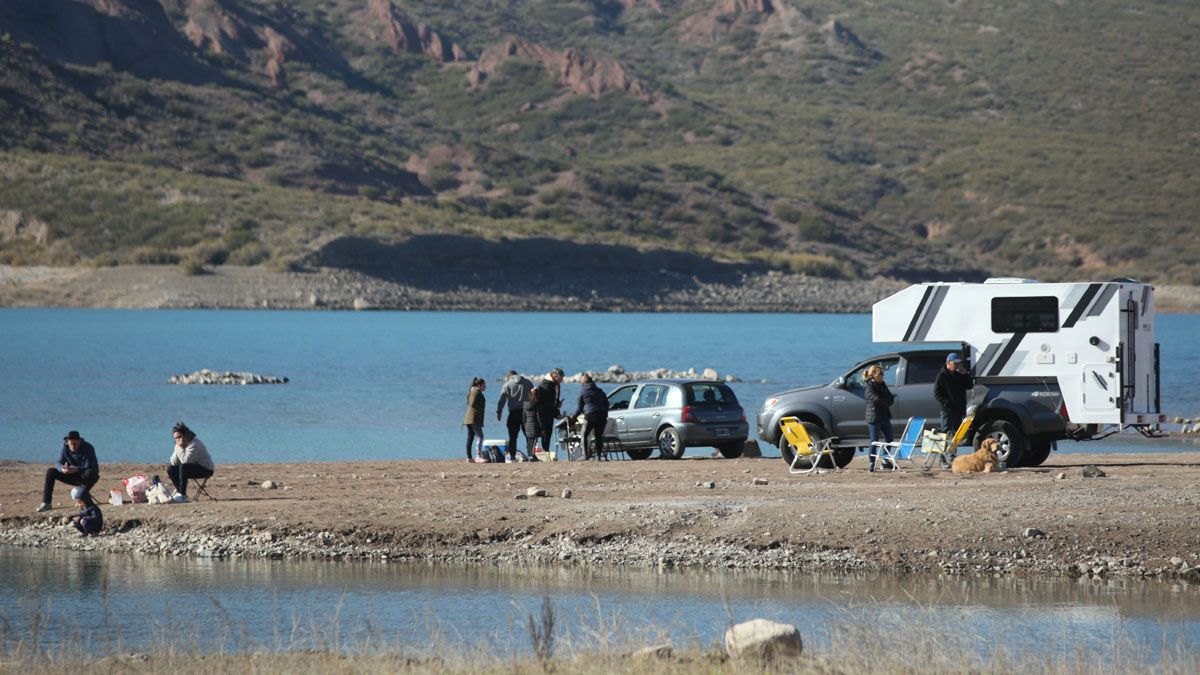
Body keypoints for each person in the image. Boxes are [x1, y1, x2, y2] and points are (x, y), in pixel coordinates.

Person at [38, 430, 100, 512]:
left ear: (79, 441)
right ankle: (46, 503)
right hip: (70, 474)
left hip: (84, 476)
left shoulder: (88, 448)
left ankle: (81, 496)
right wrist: (62, 469)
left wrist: (76, 469)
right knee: (51, 472)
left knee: (91, 473)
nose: (73, 446)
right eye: (71, 444)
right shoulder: (65, 447)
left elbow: (89, 465)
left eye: (75, 444)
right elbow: (58, 462)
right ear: (67, 442)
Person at [168, 422, 215, 502]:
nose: (177, 440)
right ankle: (179, 491)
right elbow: (173, 462)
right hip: (193, 467)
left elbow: (185, 461)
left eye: (179, 437)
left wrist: (180, 448)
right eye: (175, 438)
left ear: (185, 435)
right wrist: (177, 447)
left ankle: (182, 495)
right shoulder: (178, 445)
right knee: (170, 469)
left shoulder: (194, 444)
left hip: (206, 469)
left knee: (184, 467)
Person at [496, 370, 533, 461]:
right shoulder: (528, 382)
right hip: (526, 412)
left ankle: (512, 456)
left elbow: (502, 400)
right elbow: (535, 395)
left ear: (509, 377)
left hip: (513, 413)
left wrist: (499, 412)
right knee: (529, 435)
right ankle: (531, 455)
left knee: (513, 437)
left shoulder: (507, 385)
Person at [863, 365, 895, 472]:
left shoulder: (882, 385)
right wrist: (885, 401)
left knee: (889, 439)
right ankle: (871, 462)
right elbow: (876, 400)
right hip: (873, 417)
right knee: (874, 441)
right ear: (876, 375)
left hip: (884, 415)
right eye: (881, 374)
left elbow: (890, 398)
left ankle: (885, 461)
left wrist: (885, 401)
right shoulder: (869, 386)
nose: (883, 376)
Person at [934, 352, 975, 435]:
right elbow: (937, 393)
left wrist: (965, 375)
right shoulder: (942, 376)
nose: (957, 365)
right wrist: (947, 403)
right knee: (946, 433)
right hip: (948, 411)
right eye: (955, 363)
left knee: (957, 434)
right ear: (948, 362)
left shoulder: (959, 374)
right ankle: (946, 448)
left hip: (959, 409)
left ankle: (954, 448)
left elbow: (969, 386)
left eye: (958, 363)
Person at [574, 374, 610, 460]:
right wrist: (605, 413)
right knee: (598, 437)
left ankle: (585, 455)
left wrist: (573, 417)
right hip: (602, 415)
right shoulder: (600, 391)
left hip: (590, 415)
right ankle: (598, 456)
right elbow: (607, 404)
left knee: (584, 434)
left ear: (582, 382)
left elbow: (579, 408)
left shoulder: (582, 392)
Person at [535, 368, 564, 455]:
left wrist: (557, 405)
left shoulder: (556, 384)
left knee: (548, 434)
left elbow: (554, 400)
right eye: (560, 378)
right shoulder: (546, 385)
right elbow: (548, 404)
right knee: (544, 433)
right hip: (543, 413)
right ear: (555, 376)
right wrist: (557, 415)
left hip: (550, 413)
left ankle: (546, 452)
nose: (561, 381)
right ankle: (544, 452)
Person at [464, 377, 486, 462]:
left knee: (470, 437)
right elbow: (472, 403)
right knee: (480, 437)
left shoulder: (473, 391)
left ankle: (469, 457)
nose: (485, 387)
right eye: (484, 385)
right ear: (479, 385)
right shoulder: (476, 392)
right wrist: (479, 411)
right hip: (473, 418)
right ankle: (478, 456)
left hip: (469, 418)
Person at [523, 387, 543, 460]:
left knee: (529, 441)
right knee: (534, 441)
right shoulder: (537, 404)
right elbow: (539, 417)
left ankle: (529, 455)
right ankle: (532, 455)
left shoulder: (525, 404)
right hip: (535, 425)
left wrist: (525, 425)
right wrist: (542, 427)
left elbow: (524, 416)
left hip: (527, 425)